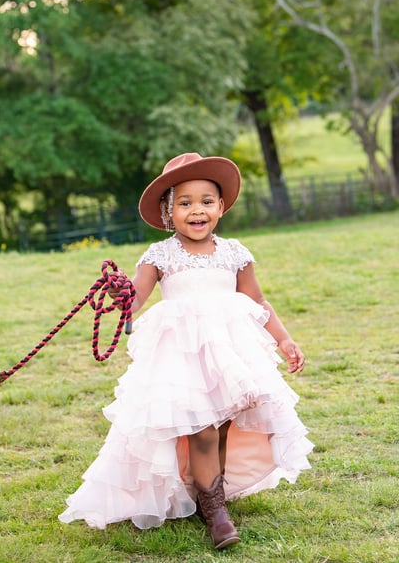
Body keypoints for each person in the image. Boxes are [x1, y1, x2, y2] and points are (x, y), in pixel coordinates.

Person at [58, 153, 313, 549]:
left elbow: (258, 301)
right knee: (202, 430)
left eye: (206, 201)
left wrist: (284, 338)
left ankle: (211, 490)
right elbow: (137, 299)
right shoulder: (159, 256)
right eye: (185, 203)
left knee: (224, 425)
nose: (197, 210)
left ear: (221, 207)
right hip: (181, 357)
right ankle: (216, 514)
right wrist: (122, 294)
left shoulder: (234, 253)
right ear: (168, 212)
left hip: (230, 353)